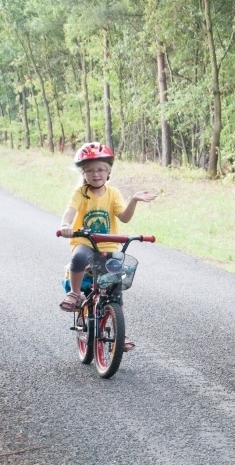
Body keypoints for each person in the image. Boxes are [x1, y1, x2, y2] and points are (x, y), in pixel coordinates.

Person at [58, 142, 157, 352]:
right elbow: (70, 211)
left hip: (109, 244)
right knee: (78, 258)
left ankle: (119, 329)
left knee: (115, 289)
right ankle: (75, 294)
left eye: (101, 169)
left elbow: (125, 217)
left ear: (109, 171)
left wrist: (134, 201)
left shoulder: (113, 193)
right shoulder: (81, 193)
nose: (96, 174)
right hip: (85, 241)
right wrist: (66, 225)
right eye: (90, 170)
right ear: (83, 173)